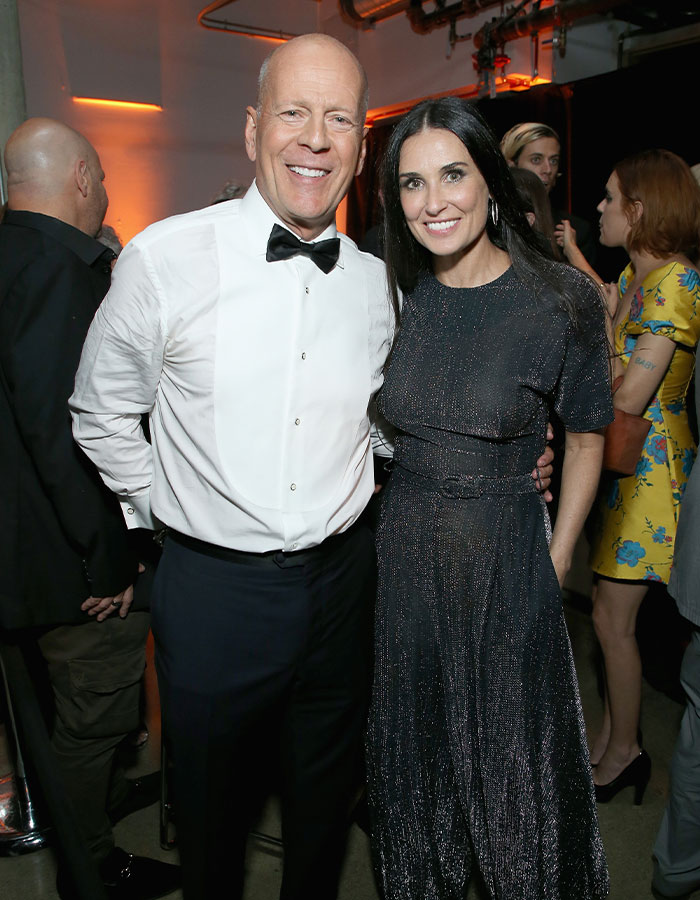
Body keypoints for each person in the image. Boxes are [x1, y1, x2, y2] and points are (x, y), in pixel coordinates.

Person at [69, 34, 555, 900]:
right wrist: (166, 507)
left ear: (362, 149)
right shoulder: (164, 259)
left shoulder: (380, 283)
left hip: (345, 587)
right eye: (294, 112)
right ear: (255, 126)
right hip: (214, 595)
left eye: (338, 119)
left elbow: (382, 430)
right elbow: (99, 413)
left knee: (324, 816)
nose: (316, 139)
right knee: (212, 827)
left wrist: (496, 453)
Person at [365, 97, 612, 900]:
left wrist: (561, 551)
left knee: (513, 778)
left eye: (452, 175)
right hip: (403, 557)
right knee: (418, 767)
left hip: (507, 560)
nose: (433, 201)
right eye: (411, 183)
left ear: (491, 181)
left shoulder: (560, 300)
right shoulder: (399, 291)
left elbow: (583, 437)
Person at [0, 118, 179, 900]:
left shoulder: (12, 255)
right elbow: (62, 428)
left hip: (22, 555)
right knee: (92, 724)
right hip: (66, 563)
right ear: (79, 178)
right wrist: (107, 555)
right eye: (101, 179)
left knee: (49, 718)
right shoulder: (53, 271)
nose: (105, 193)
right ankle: (92, 870)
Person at [573, 150, 700, 802]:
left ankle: (625, 753)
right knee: (603, 615)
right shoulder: (637, 277)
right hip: (627, 467)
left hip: (652, 474)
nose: (600, 207)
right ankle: (611, 739)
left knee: (612, 622)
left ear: (640, 210)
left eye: (611, 196)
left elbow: (625, 398)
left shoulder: (676, 284)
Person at [500, 120, 598, 266]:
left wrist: (572, 252)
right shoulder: (491, 221)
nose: (547, 169)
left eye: (553, 161)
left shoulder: (576, 231)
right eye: (536, 160)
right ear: (511, 165)